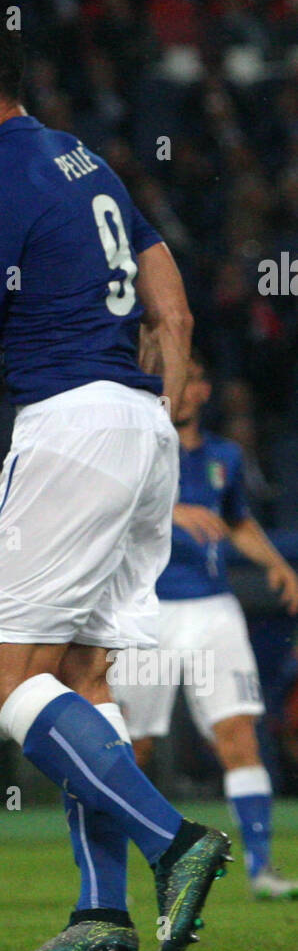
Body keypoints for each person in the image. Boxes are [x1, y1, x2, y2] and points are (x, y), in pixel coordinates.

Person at [0, 1, 231, 951]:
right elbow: (168, 286)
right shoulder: (81, 157)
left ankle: (173, 842)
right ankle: (98, 914)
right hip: (135, 423)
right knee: (74, 673)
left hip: (69, 426)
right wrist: (170, 362)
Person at [111, 350, 298, 898]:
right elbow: (108, 511)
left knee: (239, 735)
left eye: (190, 377)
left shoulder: (225, 456)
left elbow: (237, 521)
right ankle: (131, 871)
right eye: (172, 377)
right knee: (133, 748)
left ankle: (261, 868)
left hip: (214, 609)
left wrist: (278, 565)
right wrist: (170, 512)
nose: (179, 386)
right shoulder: (136, 450)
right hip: (146, 611)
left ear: (202, 390)